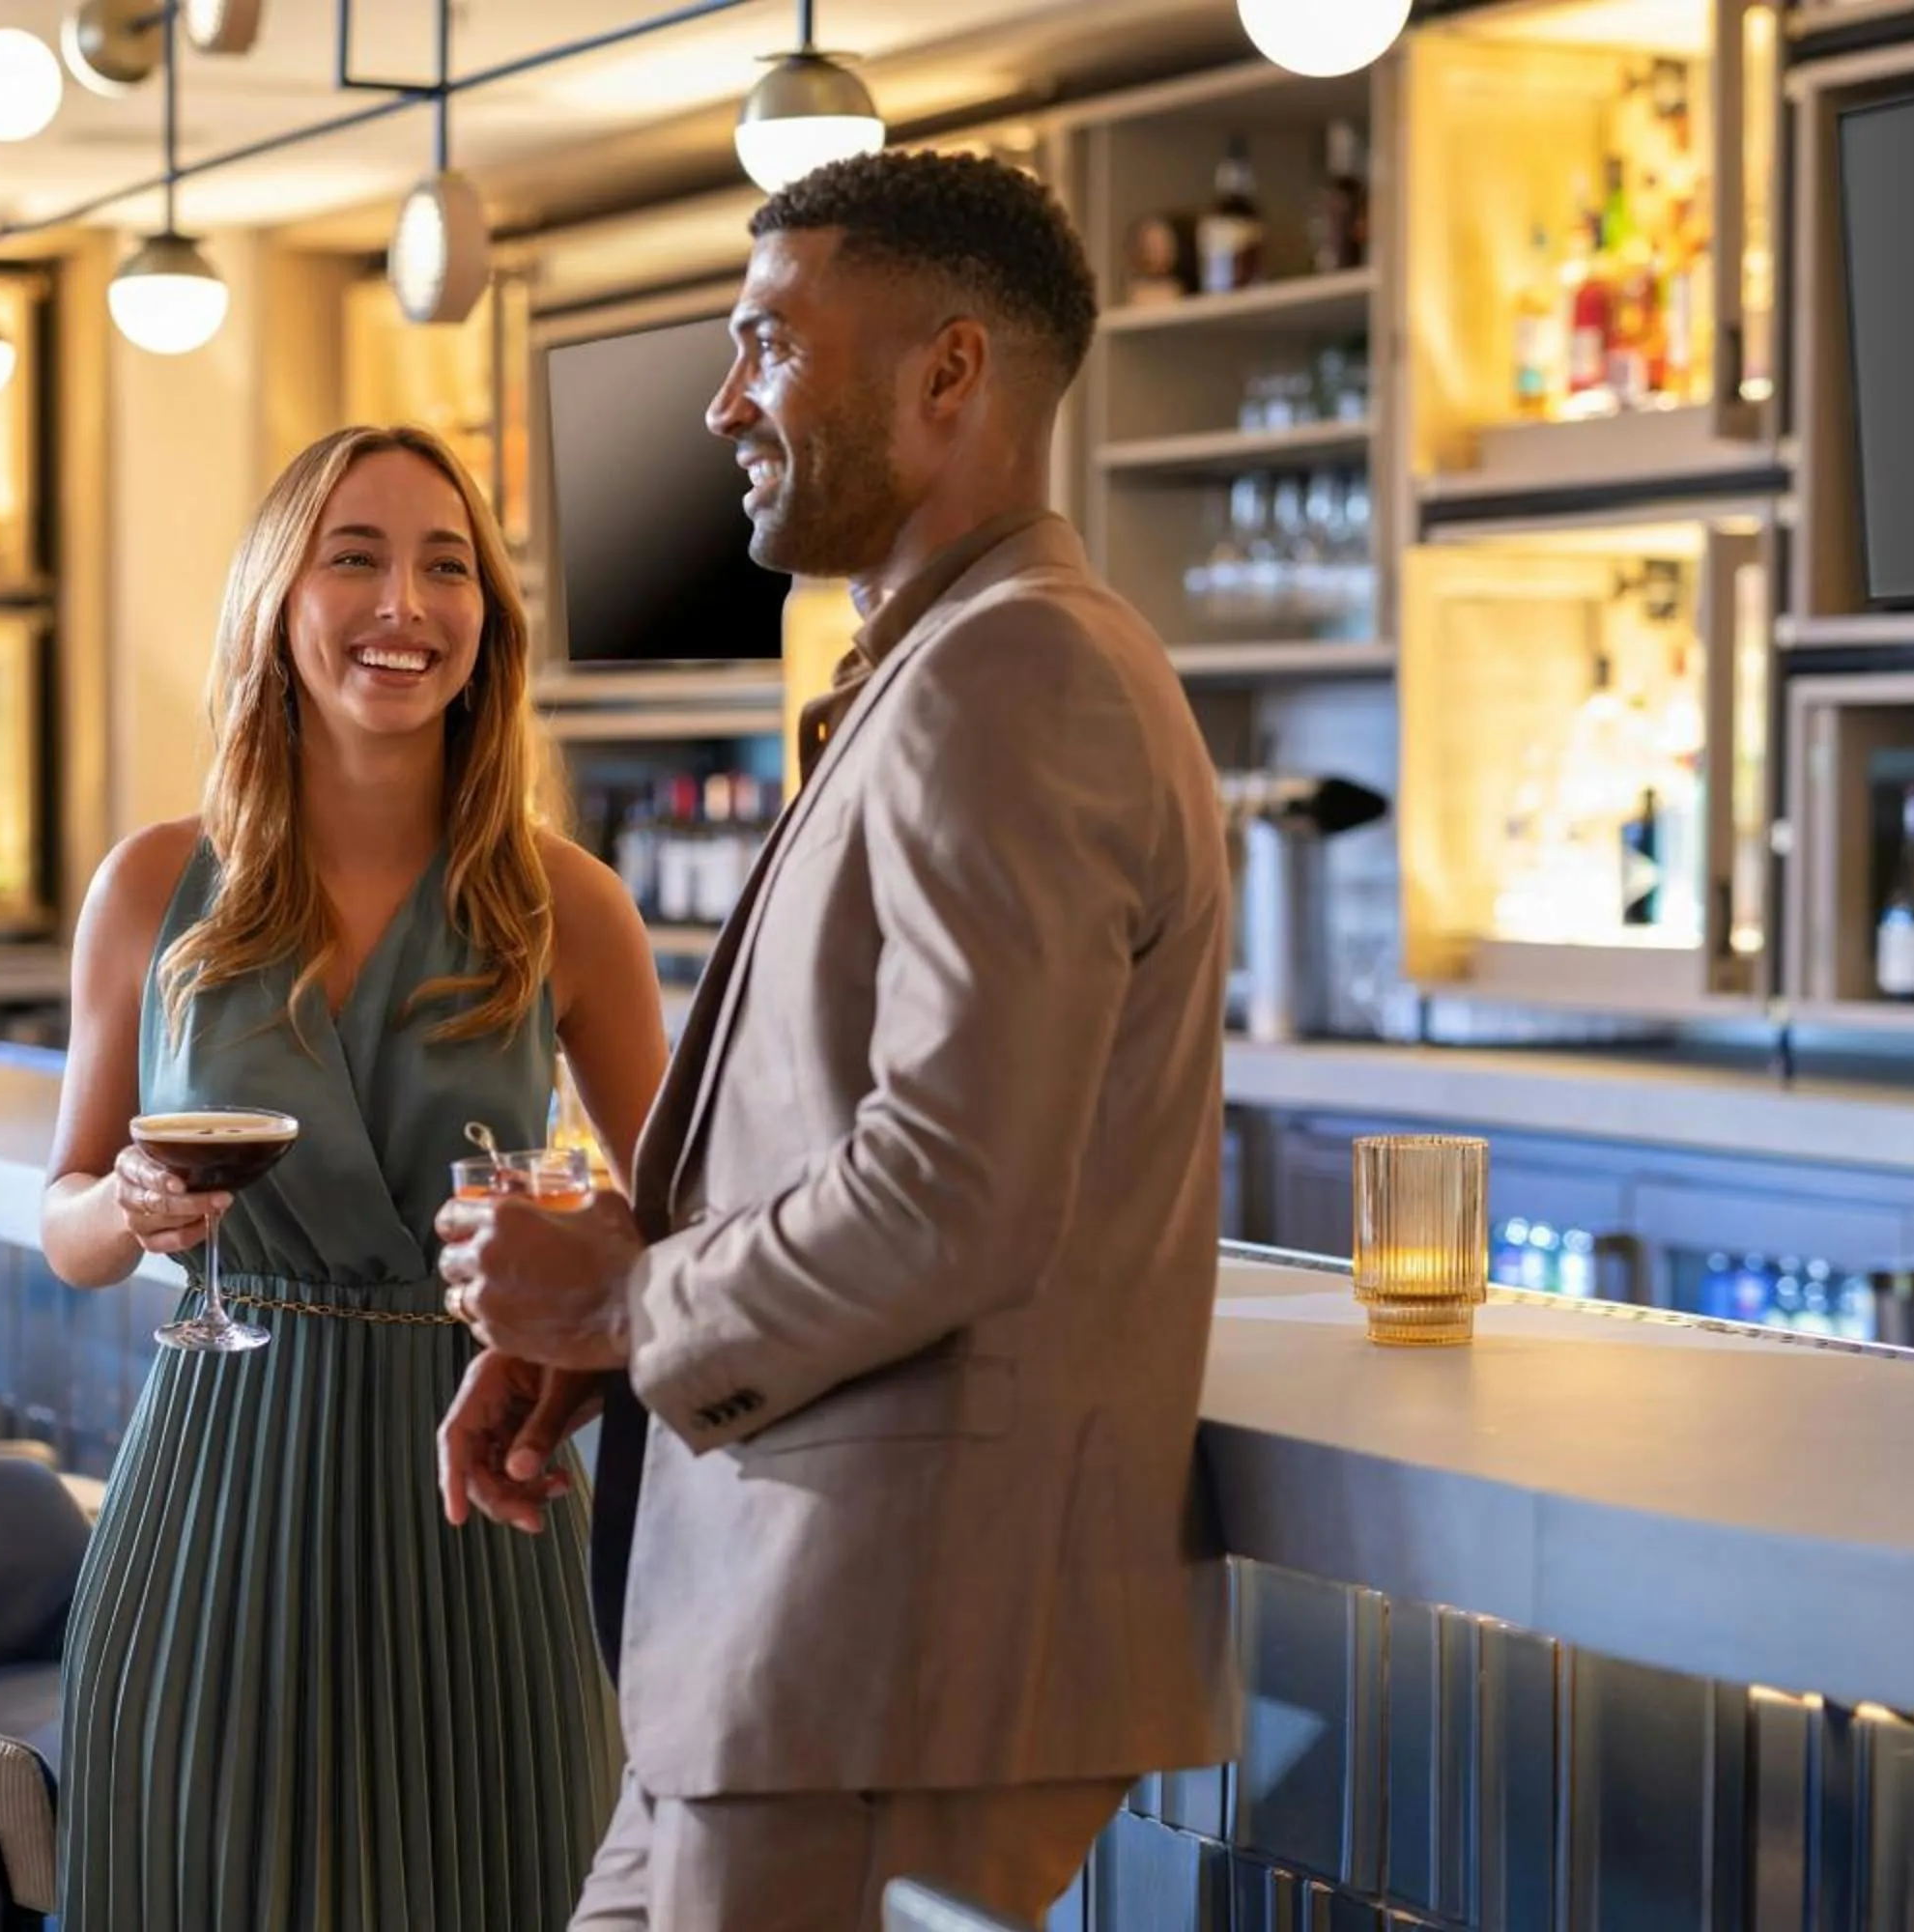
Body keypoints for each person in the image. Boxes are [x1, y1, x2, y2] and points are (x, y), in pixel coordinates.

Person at [435, 152, 1233, 1928]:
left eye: (769, 346)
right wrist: (619, 1349)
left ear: (950, 373)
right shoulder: (940, 668)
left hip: (883, 1654)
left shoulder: (1020, 676)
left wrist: (628, 1304)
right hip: (785, 1657)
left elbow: (954, 1193)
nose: (723, 403)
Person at [43, 424, 669, 1930]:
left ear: (488, 628)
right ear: (277, 600)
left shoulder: (565, 906)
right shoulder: (151, 889)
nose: (406, 605)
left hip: (484, 1502)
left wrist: (579, 1242)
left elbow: (683, 1220)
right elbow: (64, 1223)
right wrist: (126, 1207)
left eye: (446, 568)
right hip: (213, 1506)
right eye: (357, 559)